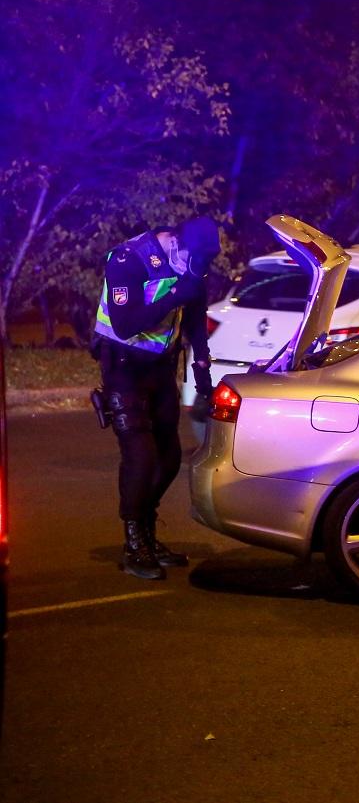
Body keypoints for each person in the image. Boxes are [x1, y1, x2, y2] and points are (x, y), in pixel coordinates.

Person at [92, 216, 220, 580]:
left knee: (169, 456)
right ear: (175, 242)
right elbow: (125, 323)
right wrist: (175, 294)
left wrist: (201, 370)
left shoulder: (194, 262)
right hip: (122, 366)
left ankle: (148, 532)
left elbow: (195, 318)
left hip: (160, 369)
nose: (194, 269)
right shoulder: (128, 259)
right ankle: (133, 544)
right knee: (141, 456)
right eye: (192, 260)